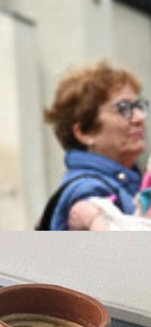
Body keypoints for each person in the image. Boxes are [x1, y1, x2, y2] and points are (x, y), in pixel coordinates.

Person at [41, 61, 149, 230]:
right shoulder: (89, 191)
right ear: (85, 132)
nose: (139, 117)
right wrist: (94, 219)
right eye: (124, 108)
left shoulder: (129, 184)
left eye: (138, 106)